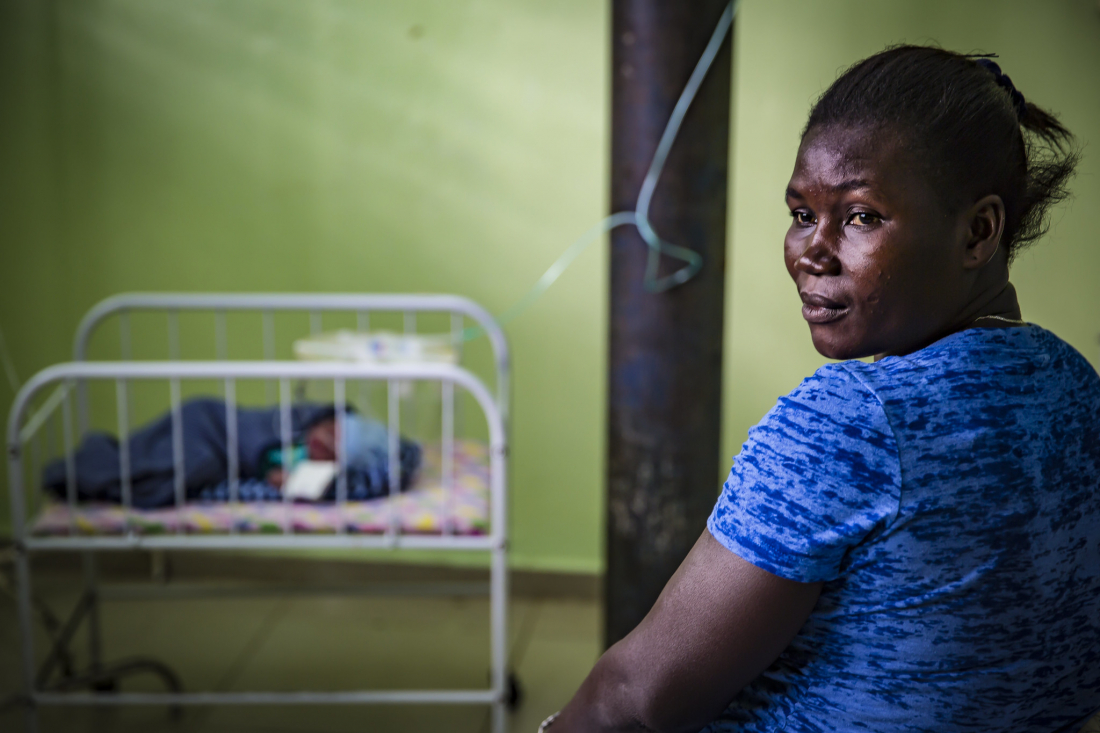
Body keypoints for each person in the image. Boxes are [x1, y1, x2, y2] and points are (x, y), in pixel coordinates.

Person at [545, 46, 1100, 732]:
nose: (812, 249)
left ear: (978, 232)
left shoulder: (854, 421)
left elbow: (636, 697)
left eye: (861, 215)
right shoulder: (1076, 387)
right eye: (802, 213)